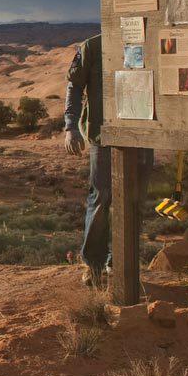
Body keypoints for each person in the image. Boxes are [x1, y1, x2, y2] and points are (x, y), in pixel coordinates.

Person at [63, 33, 109, 289]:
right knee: (101, 197)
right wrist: (70, 125)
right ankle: (94, 265)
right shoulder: (93, 46)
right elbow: (74, 85)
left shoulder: (150, 38)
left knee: (134, 199)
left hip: (142, 134)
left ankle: (122, 261)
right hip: (103, 134)